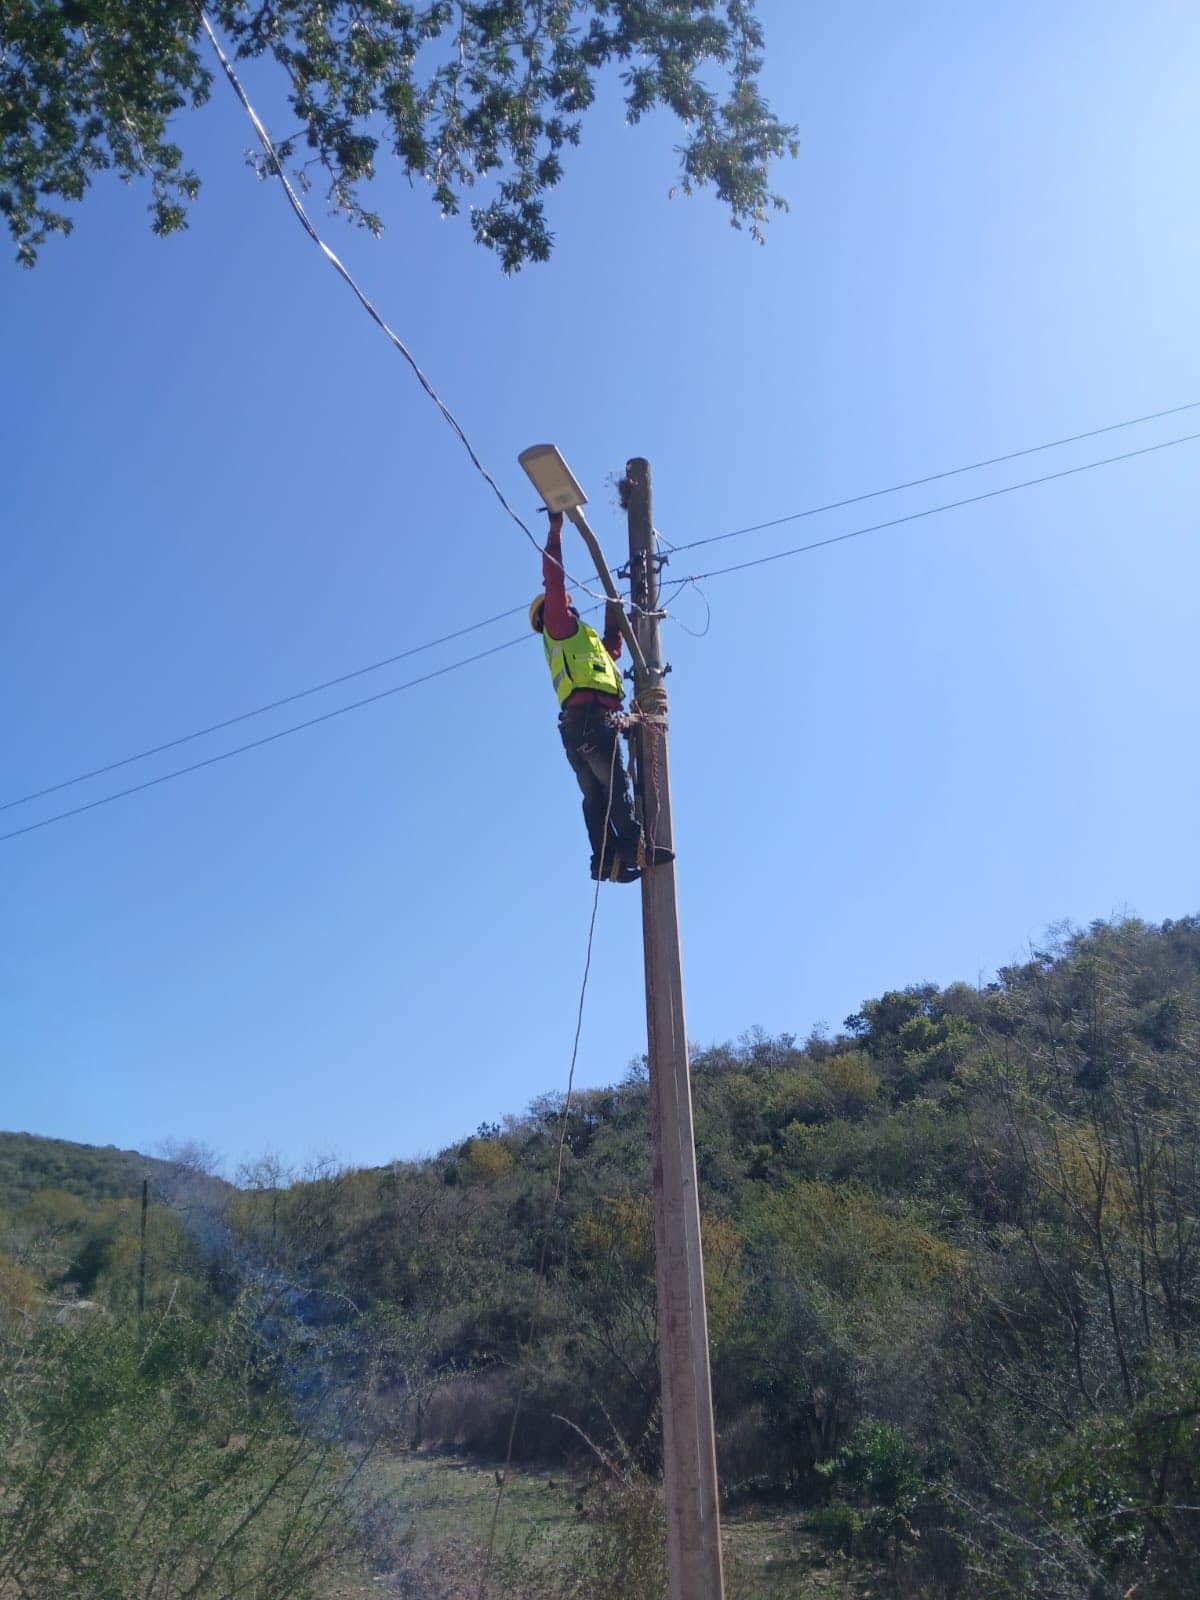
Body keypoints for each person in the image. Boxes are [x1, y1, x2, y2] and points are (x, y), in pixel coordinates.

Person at [530, 511, 643, 883]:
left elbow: (612, 648)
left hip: (578, 731)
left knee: (596, 799)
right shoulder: (559, 626)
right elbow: (554, 579)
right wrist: (555, 532)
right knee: (616, 789)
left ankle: (607, 861)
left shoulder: (581, 640)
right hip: (593, 725)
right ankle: (634, 847)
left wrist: (615, 607)